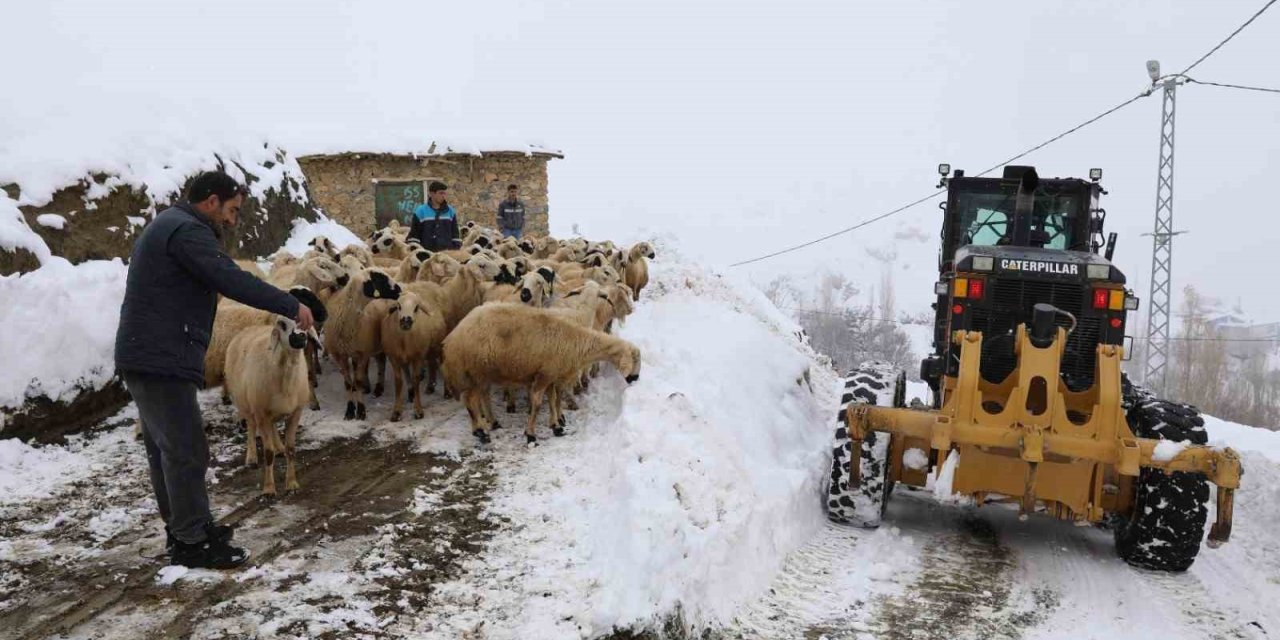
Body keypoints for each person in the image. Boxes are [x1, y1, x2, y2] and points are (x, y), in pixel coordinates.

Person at [114, 171, 315, 570]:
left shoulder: (172, 225)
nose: (233, 220)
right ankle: (191, 542)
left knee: (167, 450)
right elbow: (228, 277)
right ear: (211, 201)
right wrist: (290, 305)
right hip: (159, 356)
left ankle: (190, 528)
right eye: (232, 210)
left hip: (149, 353)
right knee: (186, 450)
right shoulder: (187, 231)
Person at [409, 181, 462, 250]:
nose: (443, 196)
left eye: (444, 193)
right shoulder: (420, 211)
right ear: (432, 194)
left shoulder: (450, 211)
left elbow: (455, 233)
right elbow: (414, 235)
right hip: (426, 254)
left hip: (447, 254)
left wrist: (456, 250)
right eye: (440, 193)